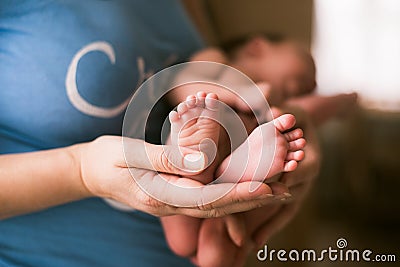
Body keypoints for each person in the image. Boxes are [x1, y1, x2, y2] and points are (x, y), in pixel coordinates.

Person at [0, 2, 290, 266]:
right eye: (298, 81)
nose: (299, 88)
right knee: (200, 120)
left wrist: (291, 119)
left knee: (214, 211)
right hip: (163, 175)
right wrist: (81, 171)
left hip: (190, 192)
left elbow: (202, 69)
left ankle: (223, 172)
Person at [161, 92, 307, 257]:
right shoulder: (251, 88)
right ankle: (226, 173)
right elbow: (311, 106)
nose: (310, 86)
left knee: (184, 242)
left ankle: (195, 166)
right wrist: (339, 101)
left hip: (232, 128)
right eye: (295, 83)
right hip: (238, 127)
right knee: (211, 253)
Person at [169, 34, 358, 126]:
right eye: (308, 63)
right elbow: (180, 84)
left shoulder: (275, 103)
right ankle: (340, 102)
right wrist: (237, 96)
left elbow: (302, 112)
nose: (312, 84)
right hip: (193, 133)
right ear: (257, 47)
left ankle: (338, 102)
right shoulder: (219, 60)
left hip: (239, 151)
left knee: (293, 116)